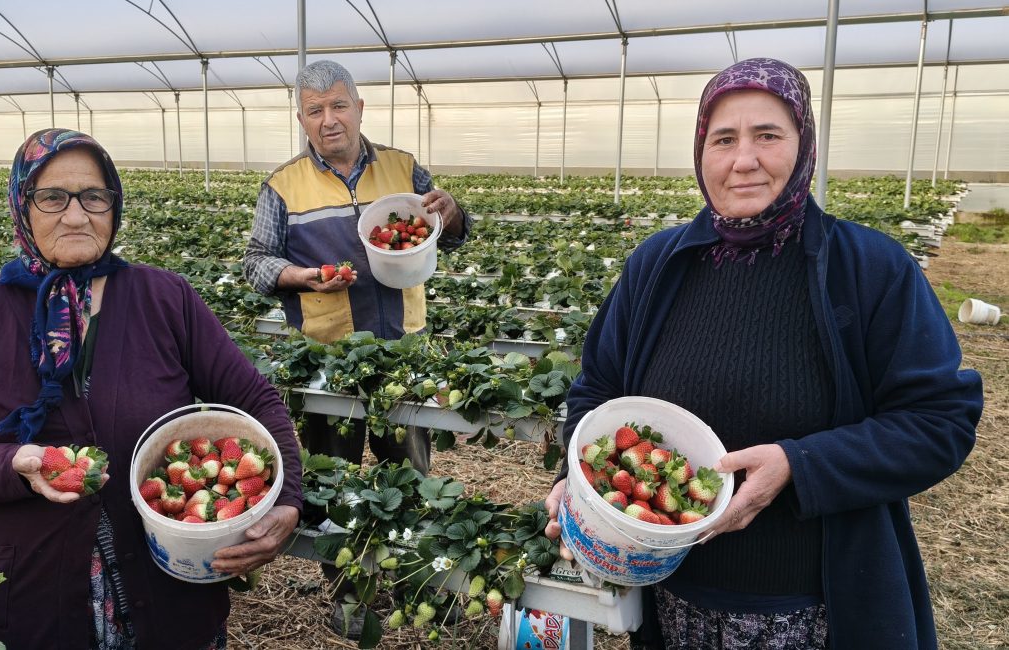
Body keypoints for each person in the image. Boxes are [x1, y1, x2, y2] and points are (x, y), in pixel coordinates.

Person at [544, 58, 982, 650]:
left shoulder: (871, 270)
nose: (743, 159)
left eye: (767, 136)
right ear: (701, 152)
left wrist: (798, 465)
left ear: (805, 146)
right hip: (676, 601)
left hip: (813, 610)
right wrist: (581, 480)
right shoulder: (659, 265)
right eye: (723, 139)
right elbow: (597, 388)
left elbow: (939, 423)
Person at [0, 128, 303, 650]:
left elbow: (256, 400)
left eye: (94, 196)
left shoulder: (165, 297)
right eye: (52, 197)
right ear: (22, 205)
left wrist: (288, 501)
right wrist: (14, 465)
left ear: (114, 205)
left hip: (169, 591)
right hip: (30, 597)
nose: (76, 215)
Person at [242, 58, 470, 637]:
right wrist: (302, 277)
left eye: (338, 106)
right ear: (302, 118)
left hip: (401, 351)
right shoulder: (281, 185)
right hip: (326, 360)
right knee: (332, 477)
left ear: (359, 108)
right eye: (315, 111)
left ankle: (418, 578)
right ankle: (347, 592)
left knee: (411, 471)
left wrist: (453, 212)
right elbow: (256, 262)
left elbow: (451, 228)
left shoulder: (401, 167)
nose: (328, 120)